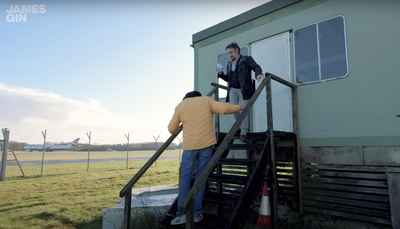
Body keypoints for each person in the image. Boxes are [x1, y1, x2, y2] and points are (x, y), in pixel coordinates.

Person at [168, 90, 245, 225]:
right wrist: (238, 107)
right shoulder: (206, 100)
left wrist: (178, 130)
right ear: (199, 96)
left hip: (190, 147)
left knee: (185, 177)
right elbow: (224, 109)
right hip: (206, 144)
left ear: (186, 98)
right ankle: (197, 213)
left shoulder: (181, 106)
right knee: (201, 177)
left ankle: (182, 214)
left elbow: (171, 128)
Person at [217, 42, 265, 142]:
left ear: (237, 50)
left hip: (244, 90)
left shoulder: (246, 59)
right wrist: (221, 74)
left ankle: (243, 132)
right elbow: (229, 79)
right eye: (228, 53)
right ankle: (241, 124)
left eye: (231, 52)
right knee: (233, 110)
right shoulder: (229, 64)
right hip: (232, 90)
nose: (230, 55)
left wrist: (258, 74)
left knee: (242, 110)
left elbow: (256, 67)